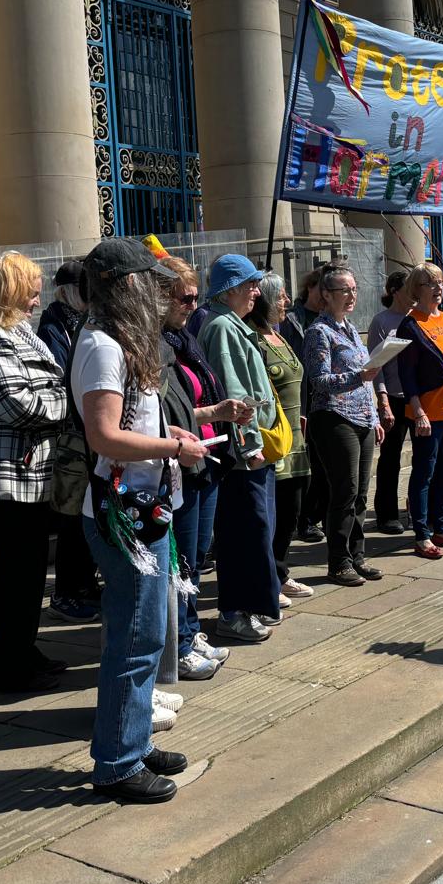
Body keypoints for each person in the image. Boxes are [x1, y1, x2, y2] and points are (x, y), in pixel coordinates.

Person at [72, 237, 206, 802]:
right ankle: (117, 764)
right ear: (124, 286)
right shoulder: (102, 345)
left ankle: (133, 738)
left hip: (144, 507)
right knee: (134, 636)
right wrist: (173, 451)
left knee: (148, 633)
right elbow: (103, 435)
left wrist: (170, 436)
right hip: (122, 512)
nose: (158, 293)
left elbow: (130, 425)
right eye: (148, 283)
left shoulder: (123, 342)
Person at [0, 252, 70, 694]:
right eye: (32, 288)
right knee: (15, 577)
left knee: (30, 574)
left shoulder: (17, 331)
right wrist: (67, 409)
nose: (39, 297)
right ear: (11, 288)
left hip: (33, 472)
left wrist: (57, 399)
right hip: (6, 476)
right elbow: (15, 403)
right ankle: (11, 665)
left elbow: (51, 384)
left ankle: (25, 650)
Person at [158, 255, 241, 679]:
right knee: (184, 559)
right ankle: (182, 641)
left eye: (195, 297)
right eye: (184, 298)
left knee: (197, 553)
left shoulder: (182, 341)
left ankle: (189, 630)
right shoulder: (157, 344)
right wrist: (212, 412)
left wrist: (221, 411)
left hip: (203, 456)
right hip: (178, 462)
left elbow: (188, 406)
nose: (193, 305)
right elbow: (163, 411)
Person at [197, 254, 284, 642]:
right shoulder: (222, 328)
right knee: (245, 531)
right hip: (243, 455)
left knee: (256, 529)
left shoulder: (233, 325)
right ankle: (235, 612)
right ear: (229, 289)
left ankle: (252, 607)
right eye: (250, 284)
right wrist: (249, 445)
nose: (256, 291)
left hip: (252, 450)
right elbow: (235, 392)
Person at [303, 264, 385, 586]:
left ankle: (357, 556)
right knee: (344, 490)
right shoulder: (318, 332)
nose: (351, 295)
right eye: (343, 290)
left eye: (354, 289)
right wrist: (356, 376)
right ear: (326, 295)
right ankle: (337, 562)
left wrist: (375, 416)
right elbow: (319, 380)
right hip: (334, 418)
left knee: (361, 491)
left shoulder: (351, 329)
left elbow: (367, 382)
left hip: (363, 418)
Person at [36, 259, 103, 625]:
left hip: (82, 435)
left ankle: (83, 585)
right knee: (72, 519)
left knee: (84, 517)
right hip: (70, 439)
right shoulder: (54, 325)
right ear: (67, 291)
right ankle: (67, 592)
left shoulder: (78, 321)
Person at [246, 273, 317, 597]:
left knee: (292, 511)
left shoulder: (279, 334)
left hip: (296, 437)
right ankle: (269, 576)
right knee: (274, 515)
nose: (286, 302)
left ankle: (279, 569)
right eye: (280, 297)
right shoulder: (253, 340)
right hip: (274, 438)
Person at [396, 262, 443, 560]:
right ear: (417, 289)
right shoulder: (410, 324)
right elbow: (407, 373)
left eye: (441, 282)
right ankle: (422, 535)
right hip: (428, 412)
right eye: (431, 283)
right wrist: (418, 412)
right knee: (424, 473)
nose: (438, 288)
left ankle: (441, 526)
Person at [281, 268, 328, 542]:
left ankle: (313, 517)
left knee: (322, 464)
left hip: (323, 397)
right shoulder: (292, 320)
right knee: (307, 462)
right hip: (302, 397)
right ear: (310, 287)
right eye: (323, 289)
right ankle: (305, 520)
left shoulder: (329, 318)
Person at [365, 270, 410, 534]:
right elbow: (376, 364)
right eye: (409, 287)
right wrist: (383, 400)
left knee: (427, 458)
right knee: (391, 458)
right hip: (392, 396)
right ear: (394, 291)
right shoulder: (381, 321)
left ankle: (419, 510)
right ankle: (387, 514)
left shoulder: (417, 318)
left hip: (418, 396)